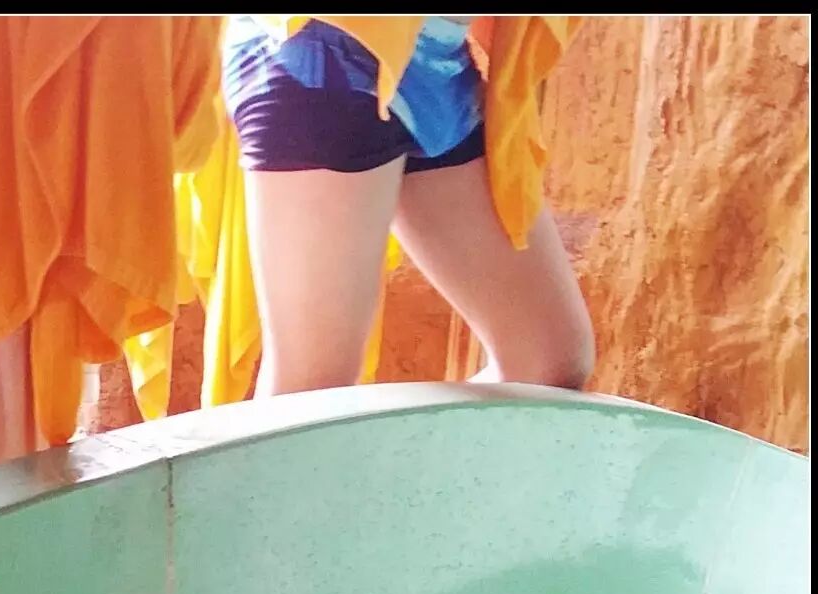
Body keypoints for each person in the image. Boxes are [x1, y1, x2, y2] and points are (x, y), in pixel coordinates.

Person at [223, 14, 595, 397]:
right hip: (327, 53)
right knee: (312, 386)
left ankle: (388, 440)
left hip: (436, 58)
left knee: (545, 363)